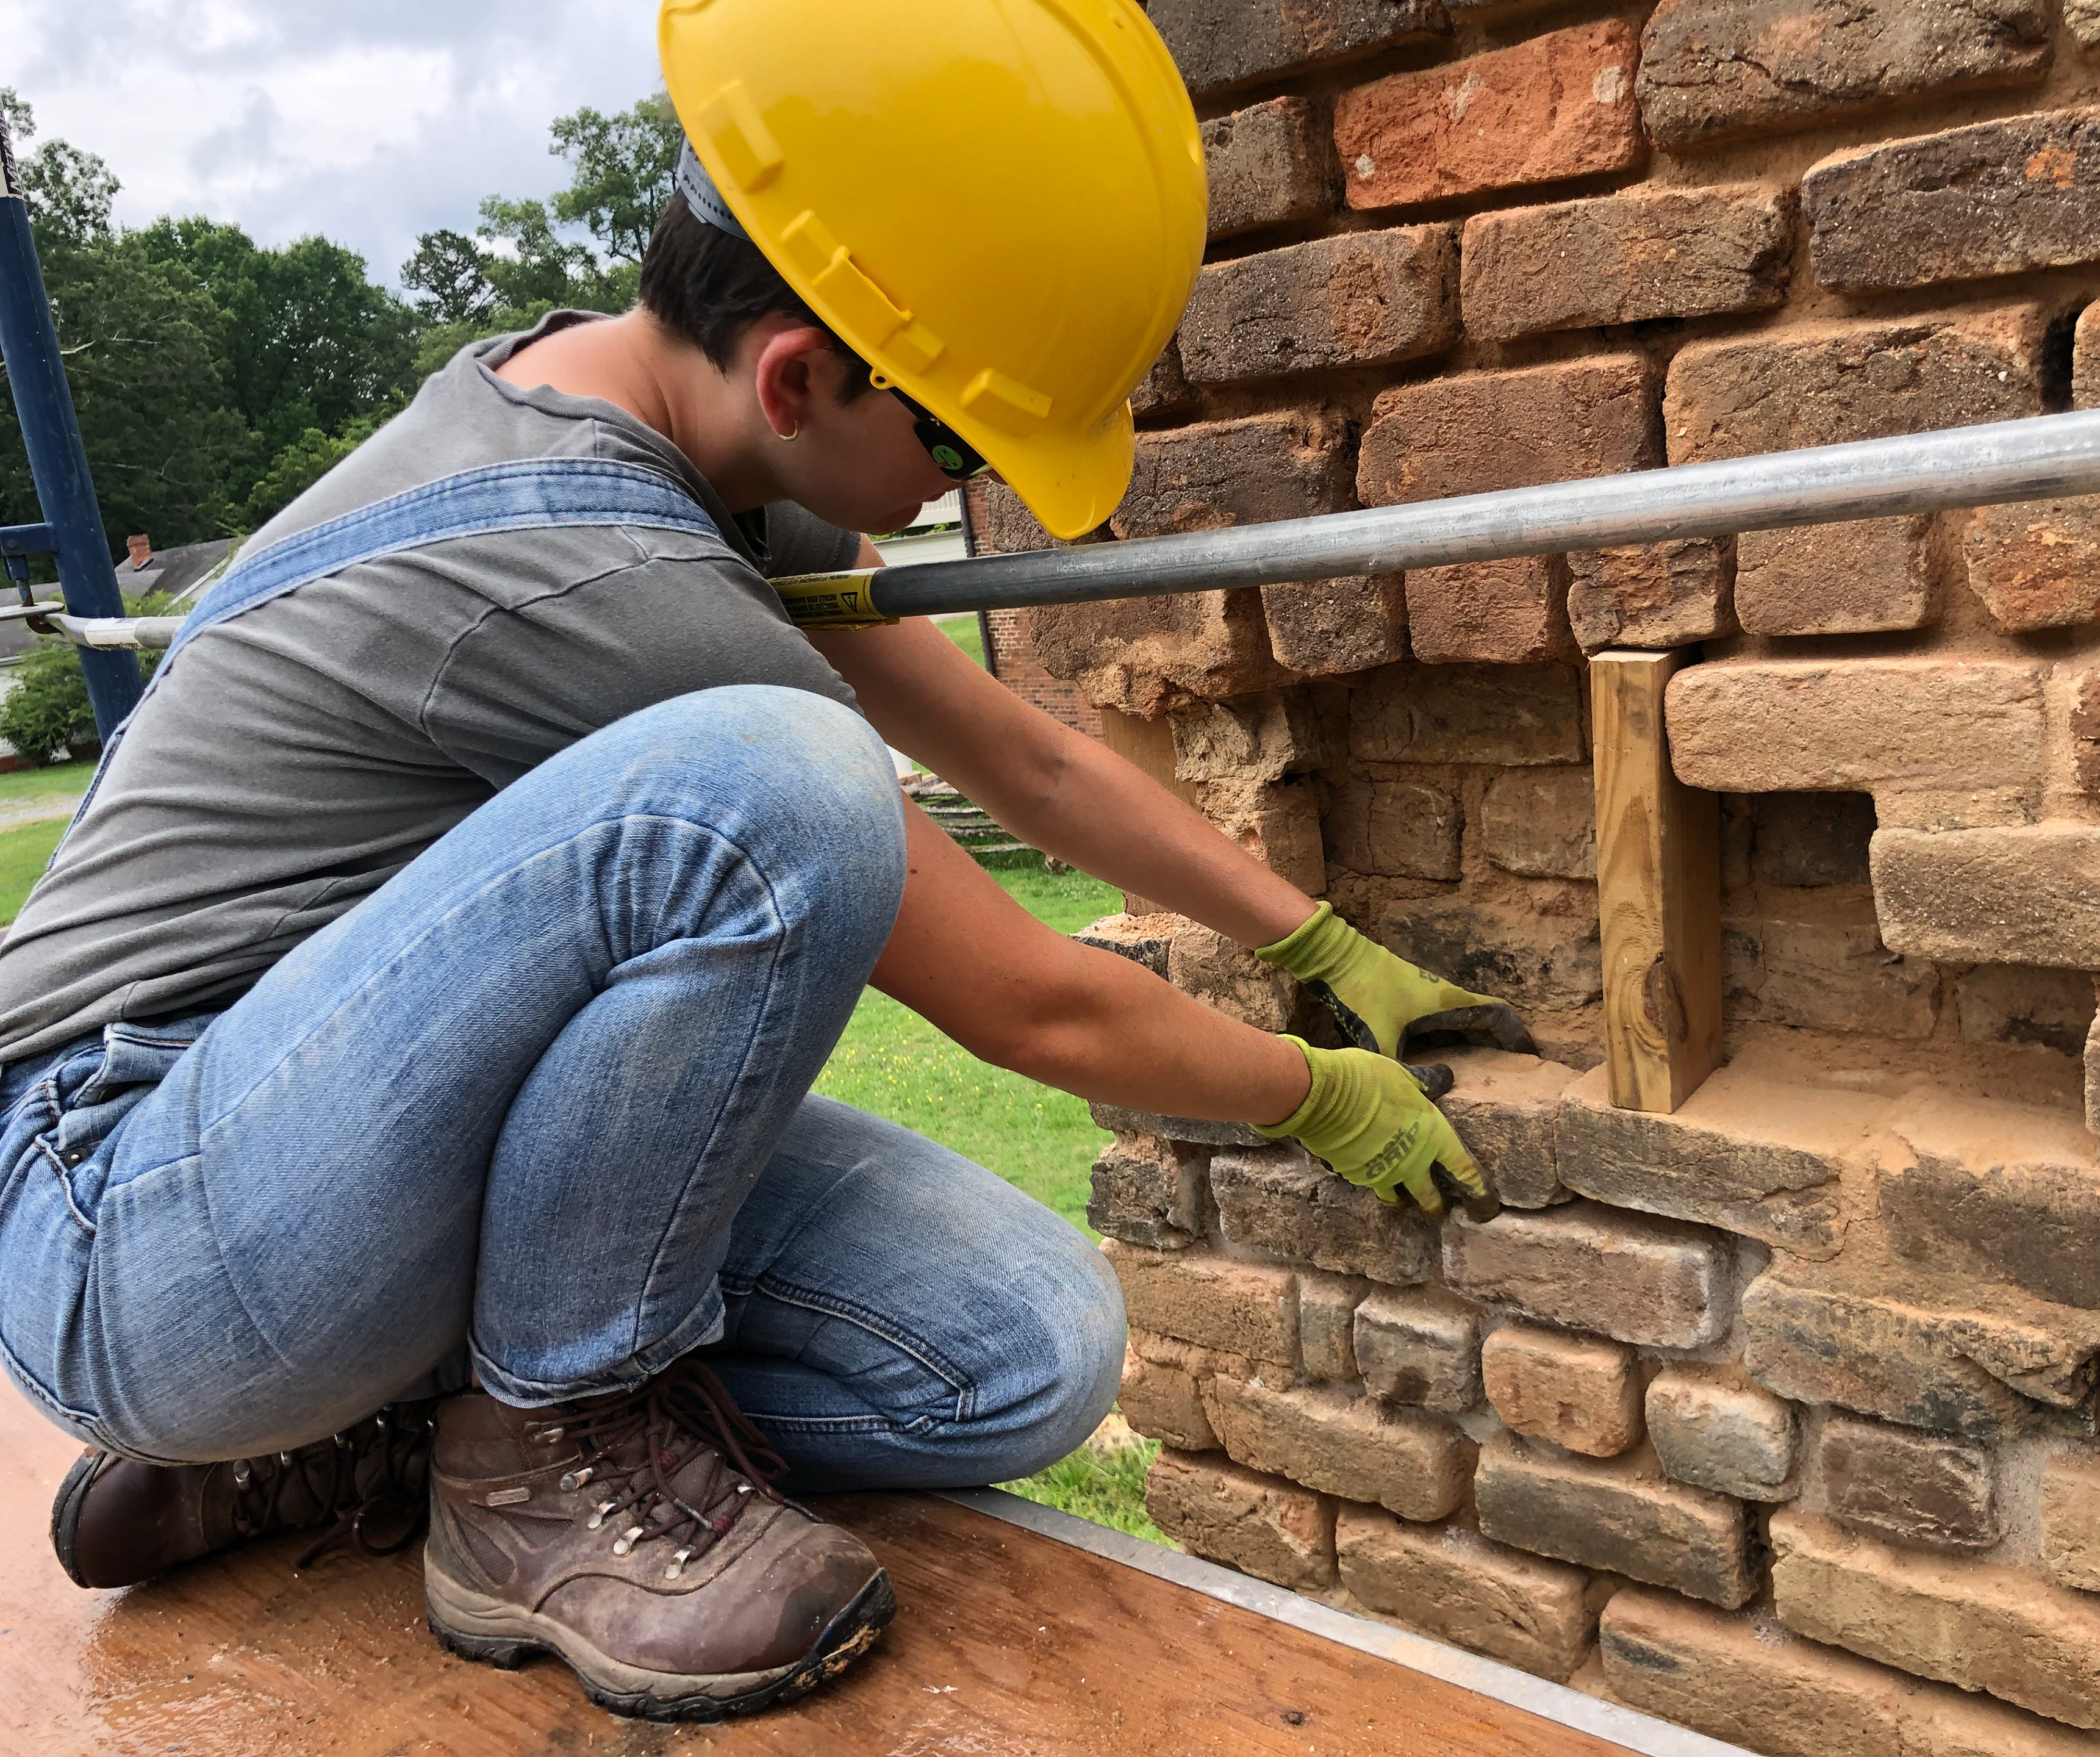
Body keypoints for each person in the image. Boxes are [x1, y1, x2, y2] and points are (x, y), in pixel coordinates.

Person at [0, 0, 1520, 1722]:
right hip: (128, 1214)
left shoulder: (683, 435)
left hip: (365, 1148)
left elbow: (1021, 755)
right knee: (781, 782)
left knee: (1021, 1357)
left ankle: (385, 1431)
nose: (956, 490)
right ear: (797, 373)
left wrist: (1317, 939)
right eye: (957, 443)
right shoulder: (592, 565)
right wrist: (1319, 1097)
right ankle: (533, 1460)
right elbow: (1029, 1004)